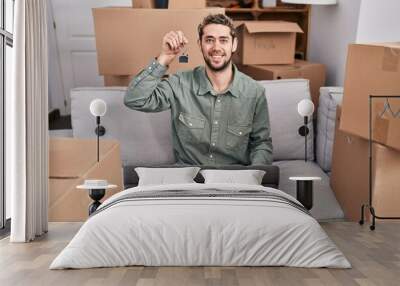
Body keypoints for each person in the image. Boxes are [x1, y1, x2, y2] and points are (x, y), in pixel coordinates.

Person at [124, 13, 272, 165]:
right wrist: (164, 57)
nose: (216, 47)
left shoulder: (254, 92)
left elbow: (261, 144)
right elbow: (134, 99)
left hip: (234, 180)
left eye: (223, 40)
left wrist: (254, 176)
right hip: (189, 179)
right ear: (200, 44)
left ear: (234, 44)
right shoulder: (179, 83)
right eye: (209, 40)